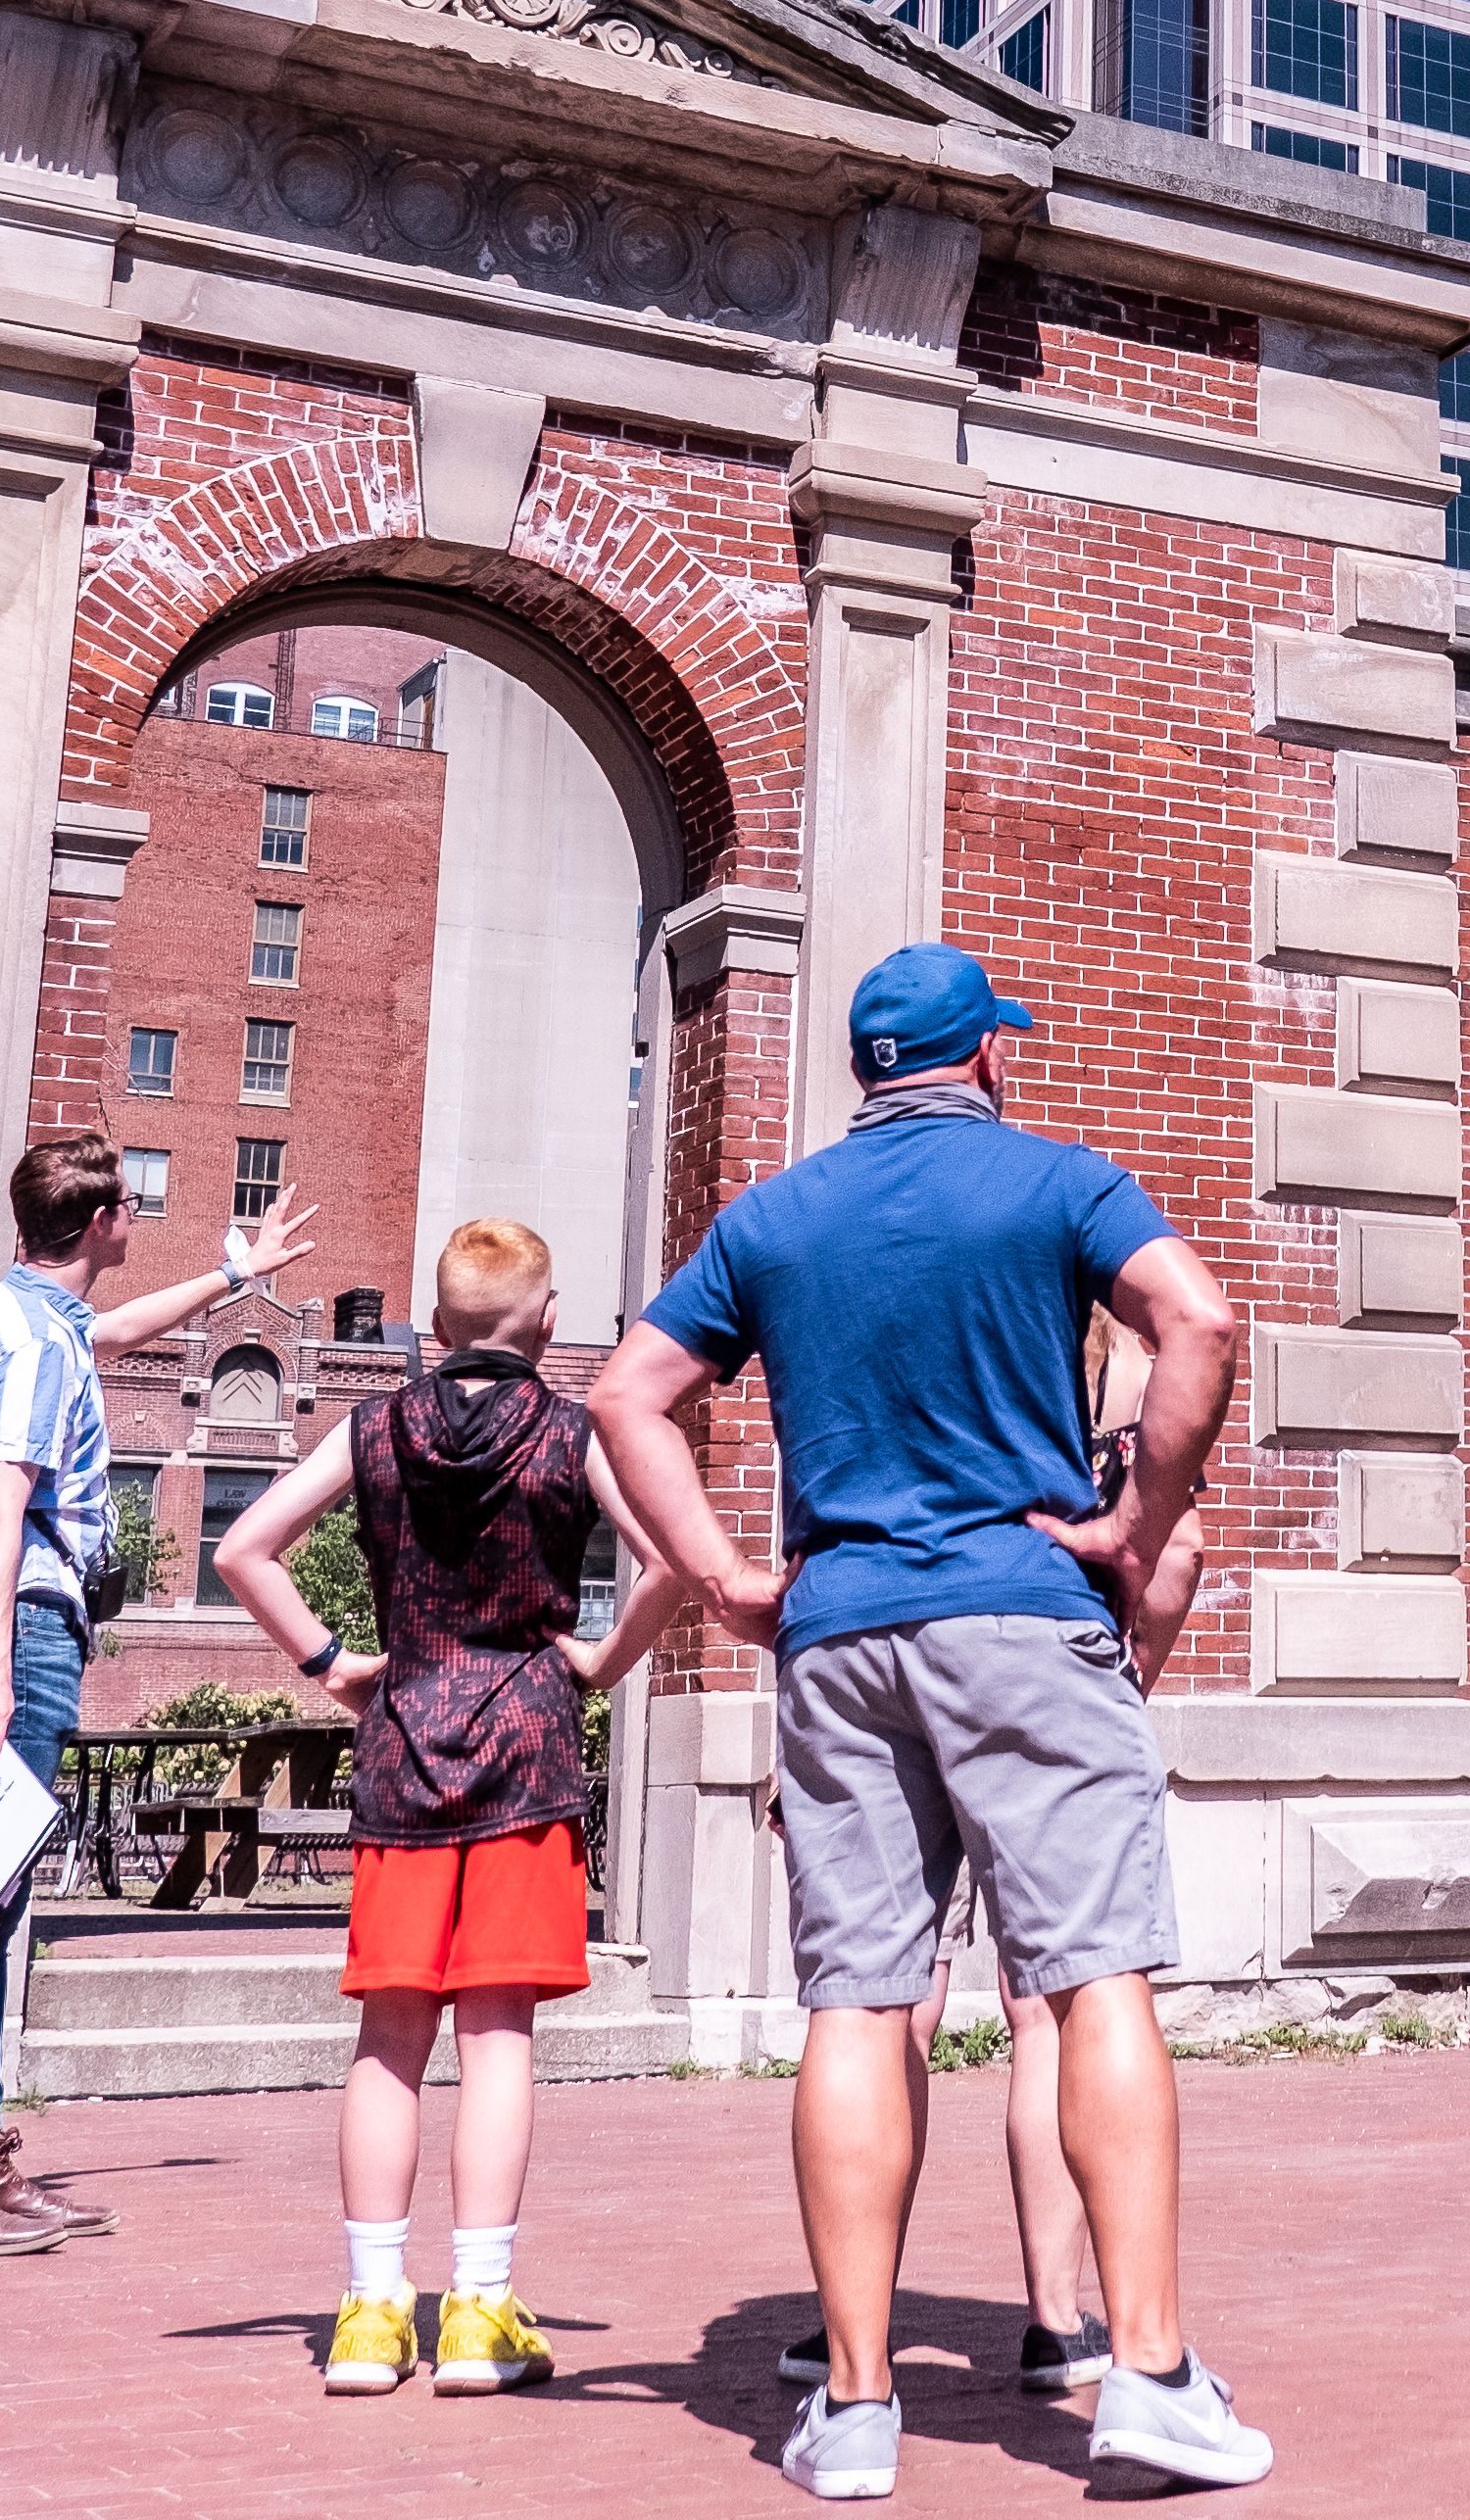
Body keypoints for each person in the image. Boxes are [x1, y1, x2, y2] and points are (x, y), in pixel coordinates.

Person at [585, 945, 1269, 2501]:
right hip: (1020, 1610)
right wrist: (1137, 1517)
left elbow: (625, 1395)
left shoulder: (769, 1217)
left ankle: (854, 2404)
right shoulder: (1060, 1182)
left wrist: (720, 1576)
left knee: (857, 2000)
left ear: (865, 1068)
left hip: (835, 1627)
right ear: (984, 1054)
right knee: (1093, 1978)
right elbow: (1201, 1321)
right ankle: (1149, 2375)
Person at [213, 1214, 695, 2398]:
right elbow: (669, 1564)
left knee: (389, 2039)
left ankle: (371, 2314)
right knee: (497, 2041)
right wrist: (598, 1660)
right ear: (547, 1320)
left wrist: (334, 1662)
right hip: (527, 1751)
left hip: (402, 1747)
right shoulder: (573, 1433)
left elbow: (244, 1548)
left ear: (433, 1325)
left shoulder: (373, 1426)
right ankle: (478, 2313)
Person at [0, 1132, 318, 2257]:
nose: (137, 1212)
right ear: (97, 1222)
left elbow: (116, 1332)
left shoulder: (37, 1319)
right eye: (128, 1200)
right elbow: (0, 1507)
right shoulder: (35, 1345)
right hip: (14, 1621)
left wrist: (233, 1274)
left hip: (20, 1618)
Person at [779, 1311, 1214, 2400]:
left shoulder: (918, 1350)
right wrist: (1124, 1682)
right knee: (1054, 2011)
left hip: (878, 1667)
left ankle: (852, 2336)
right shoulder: (1117, 1382)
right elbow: (1176, 1554)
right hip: (1041, 1679)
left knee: (881, 2004)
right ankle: (1056, 2324)